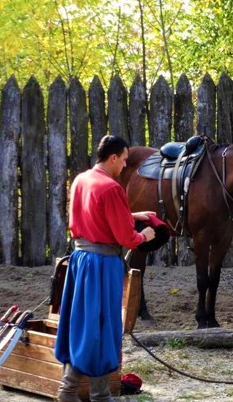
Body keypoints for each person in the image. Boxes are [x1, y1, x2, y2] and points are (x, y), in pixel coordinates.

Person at [55, 135, 157, 402]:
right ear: (113, 158)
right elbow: (126, 238)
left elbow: (92, 214)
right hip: (102, 266)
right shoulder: (111, 188)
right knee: (99, 328)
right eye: (123, 160)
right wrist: (144, 234)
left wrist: (132, 215)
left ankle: (92, 392)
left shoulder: (81, 180)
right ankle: (76, 392)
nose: (124, 165)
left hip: (80, 260)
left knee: (84, 326)